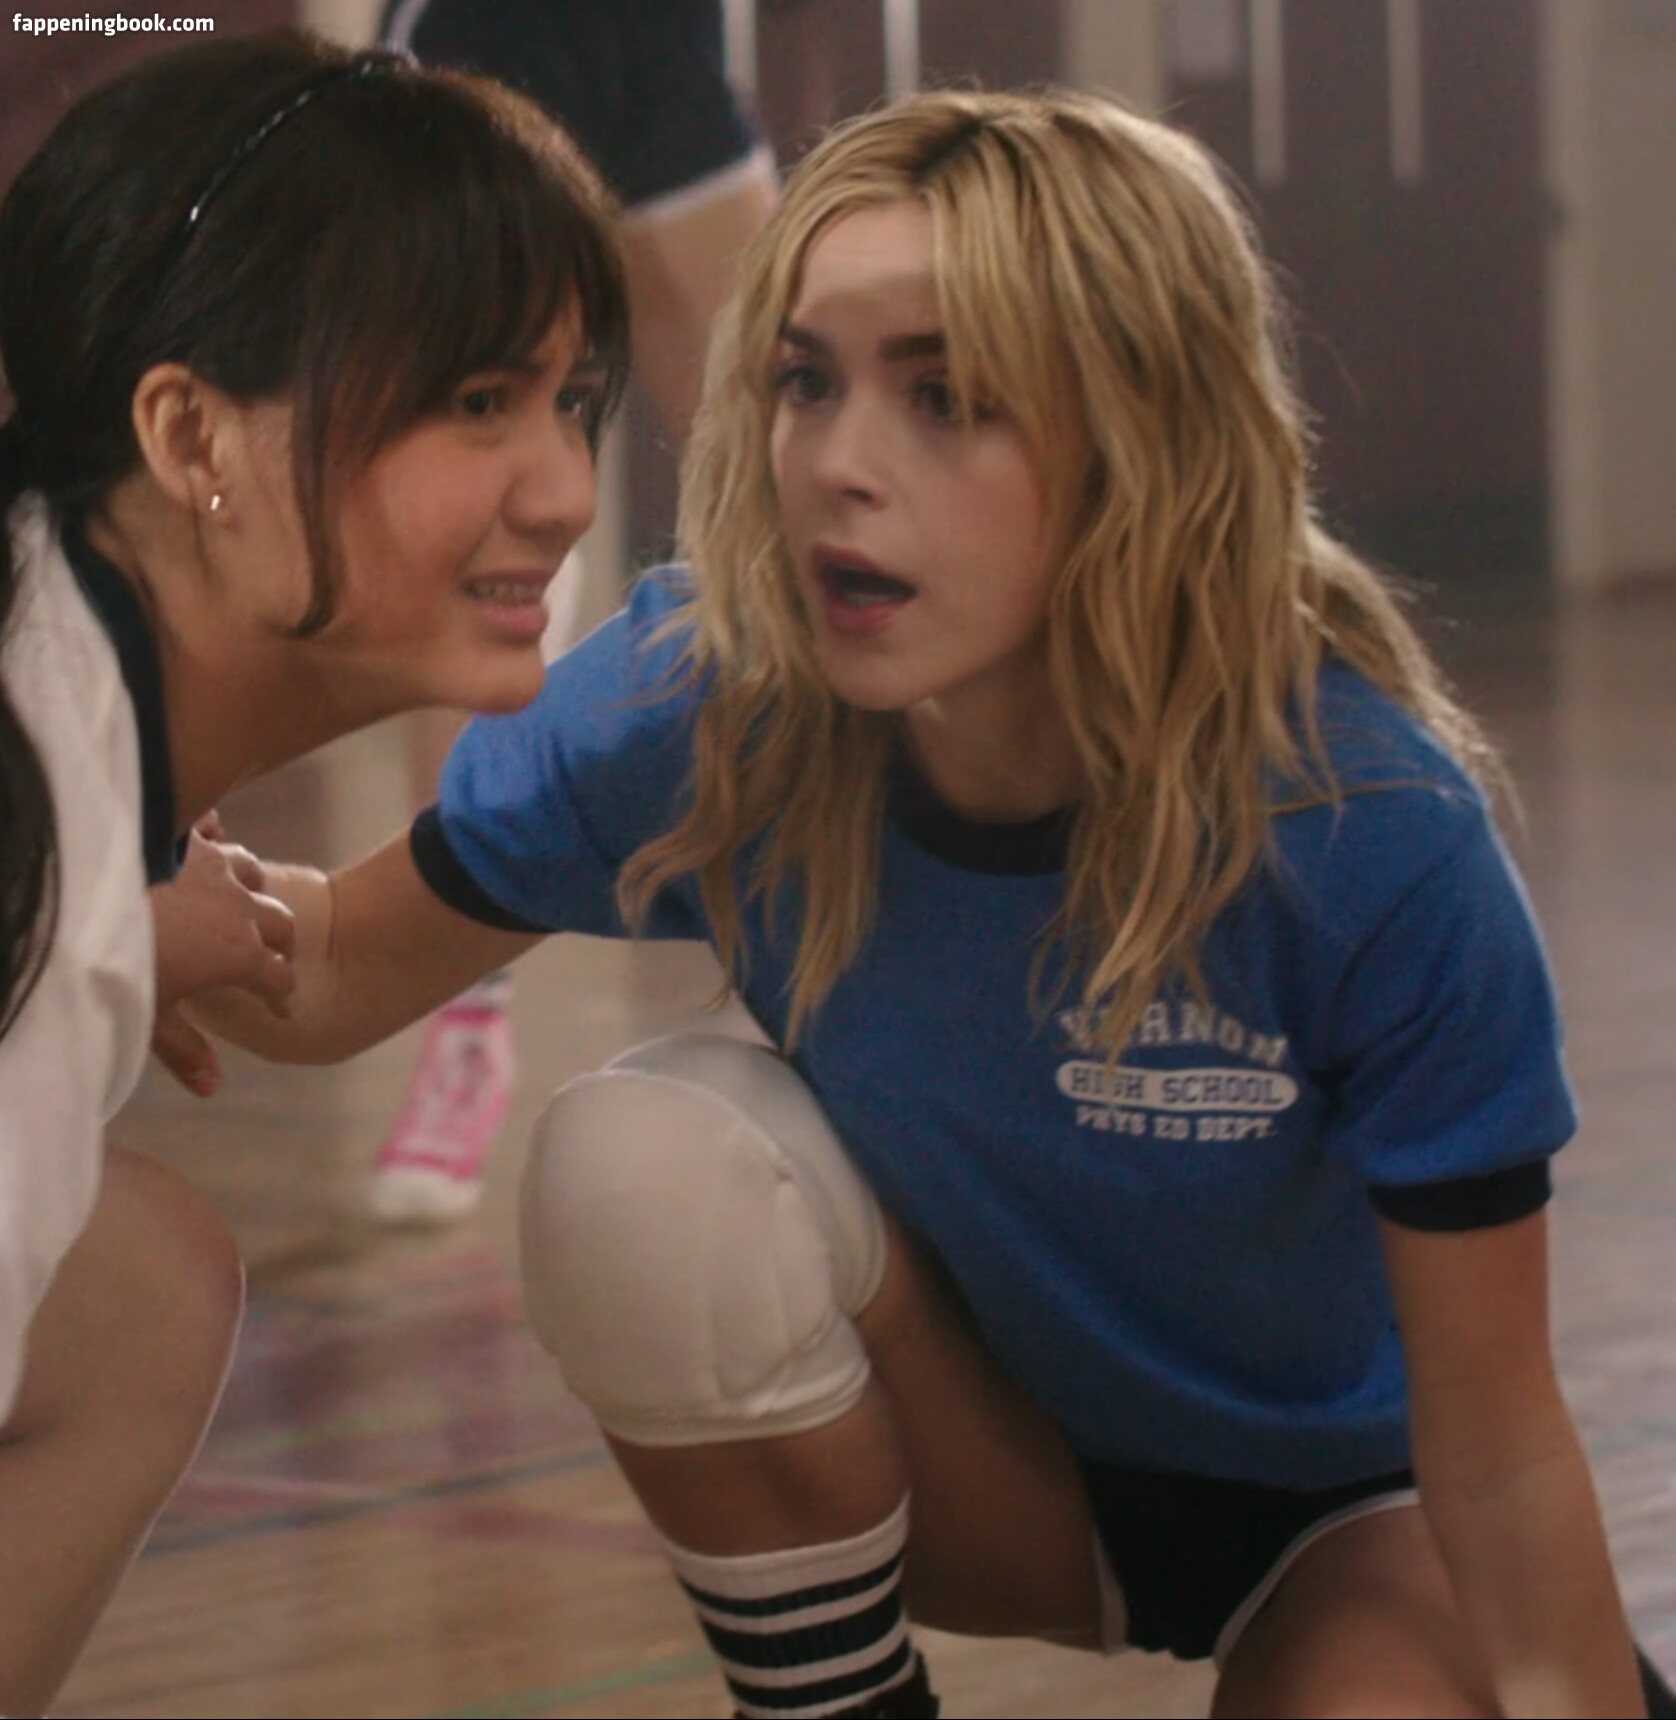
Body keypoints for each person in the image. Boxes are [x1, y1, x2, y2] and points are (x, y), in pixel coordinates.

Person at [167, 87, 1659, 1718]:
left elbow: (1499, 1447)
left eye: (945, 397)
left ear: (1141, 438)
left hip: (1344, 1511)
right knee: (645, 1164)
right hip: (986, 1472)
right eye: (807, 382)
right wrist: (109, 845)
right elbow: (328, 971)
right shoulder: (706, 699)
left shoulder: (1365, 828)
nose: (837, 467)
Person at [0, 26, 627, 1712]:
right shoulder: (43, 850)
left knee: (135, 1295)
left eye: (571, 404)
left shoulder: (67, 729)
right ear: (193, 438)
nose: (567, 491)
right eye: (475, 403)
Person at [365, 0, 779, 1227]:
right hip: (489, 39)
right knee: (474, 519)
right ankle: (463, 1024)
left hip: (656, 43)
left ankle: (841, 963)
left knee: (784, 470)